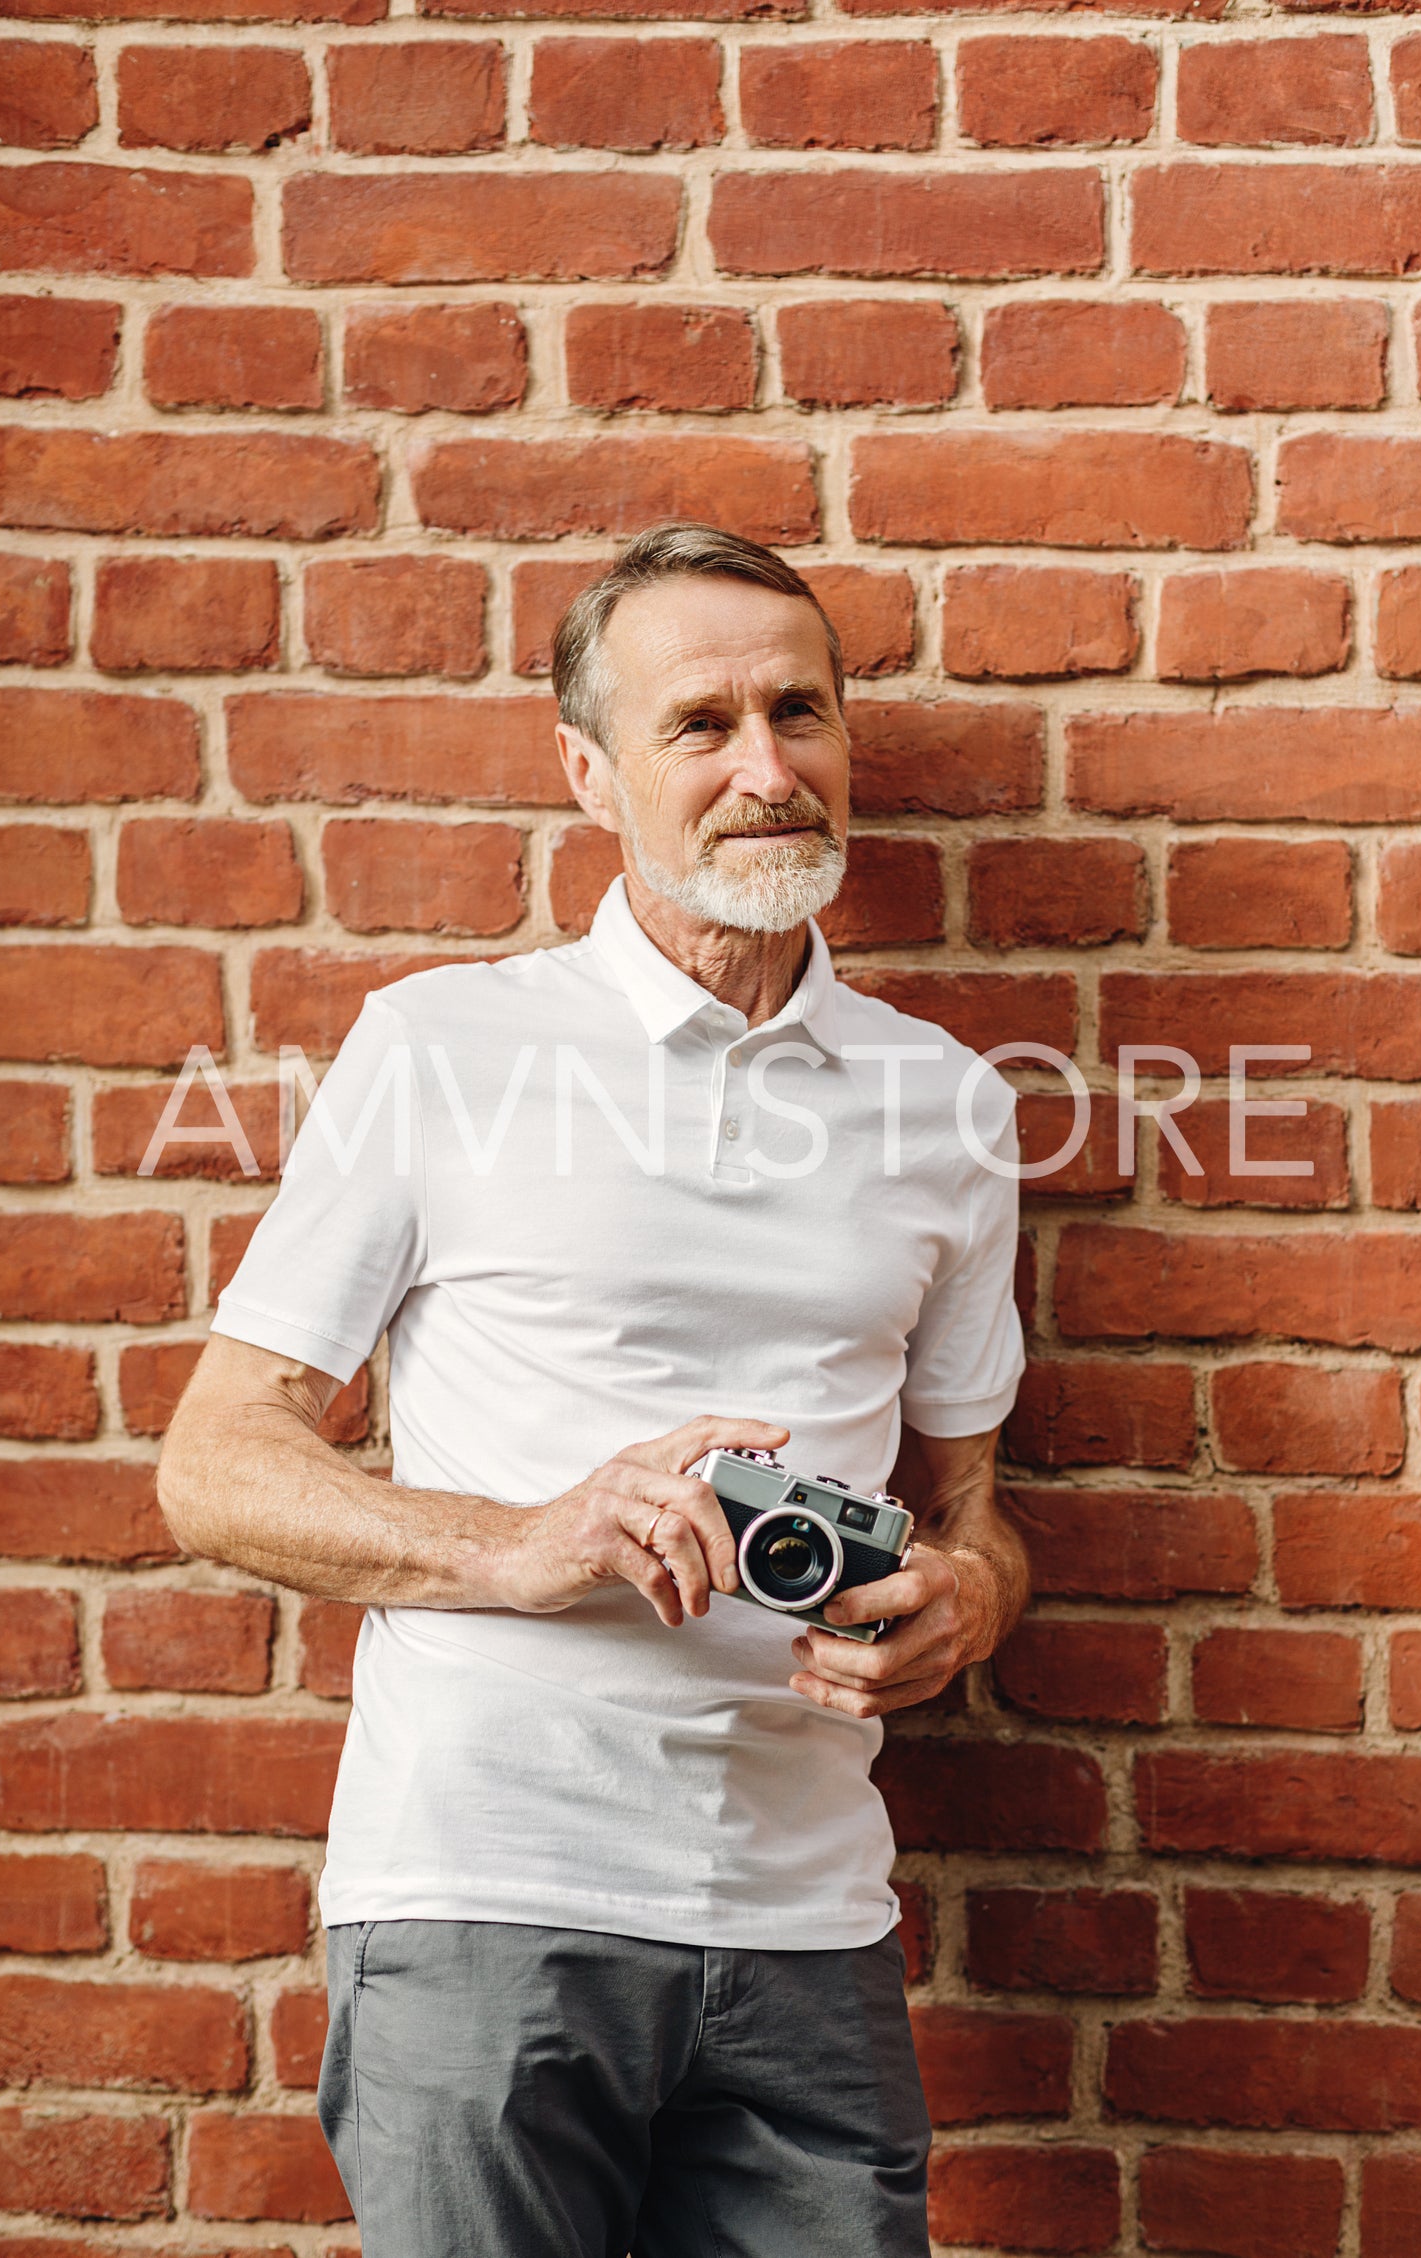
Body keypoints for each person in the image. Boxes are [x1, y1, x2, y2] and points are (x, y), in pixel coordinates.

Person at [158, 521, 1030, 2258]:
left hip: (808, 1917)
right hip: (487, 1897)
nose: (766, 770)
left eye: (801, 713)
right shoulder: (443, 1047)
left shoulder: (948, 1101)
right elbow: (214, 1460)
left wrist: (962, 1606)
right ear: (589, 771)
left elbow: (974, 1513)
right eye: (699, 725)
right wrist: (525, 1541)